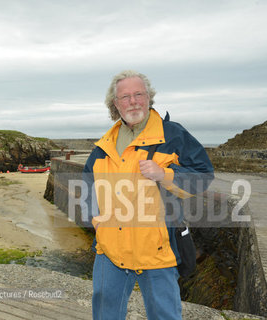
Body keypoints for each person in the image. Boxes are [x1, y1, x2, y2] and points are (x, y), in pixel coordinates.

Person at [82, 70, 214, 319]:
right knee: (104, 314)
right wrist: (96, 221)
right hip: (109, 251)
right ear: (115, 104)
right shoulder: (103, 145)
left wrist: (165, 175)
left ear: (149, 98)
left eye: (138, 94)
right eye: (125, 97)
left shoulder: (172, 135)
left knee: (164, 315)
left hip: (157, 251)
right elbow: (87, 186)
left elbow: (204, 177)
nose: (133, 101)